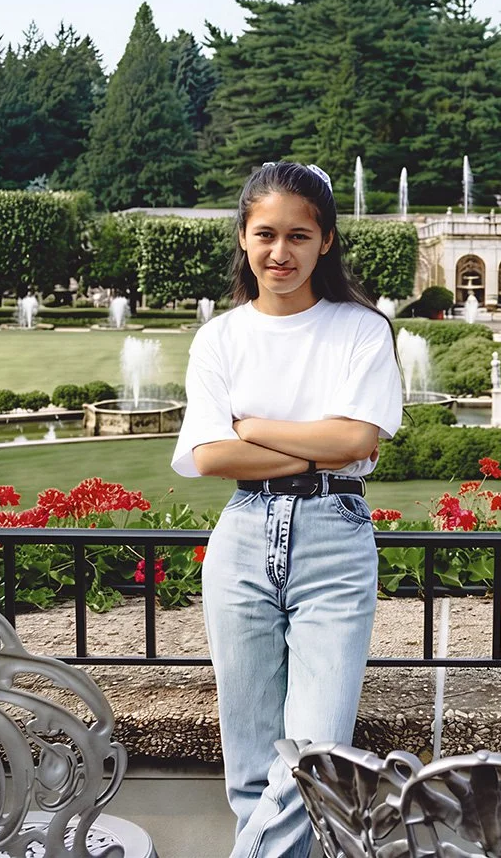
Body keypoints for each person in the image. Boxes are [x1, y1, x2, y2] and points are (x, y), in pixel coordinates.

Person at [171, 161, 402, 858]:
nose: (281, 251)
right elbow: (210, 457)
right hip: (242, 538)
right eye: (265, 233)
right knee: (248, 763)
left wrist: (253, 428)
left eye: (299, 235)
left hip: (334, 539)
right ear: (242, 236)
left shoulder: (360, 330)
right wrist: (314, 449)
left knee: (313, 754)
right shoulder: (221, 337)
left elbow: (358, 439)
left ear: (326, 241)